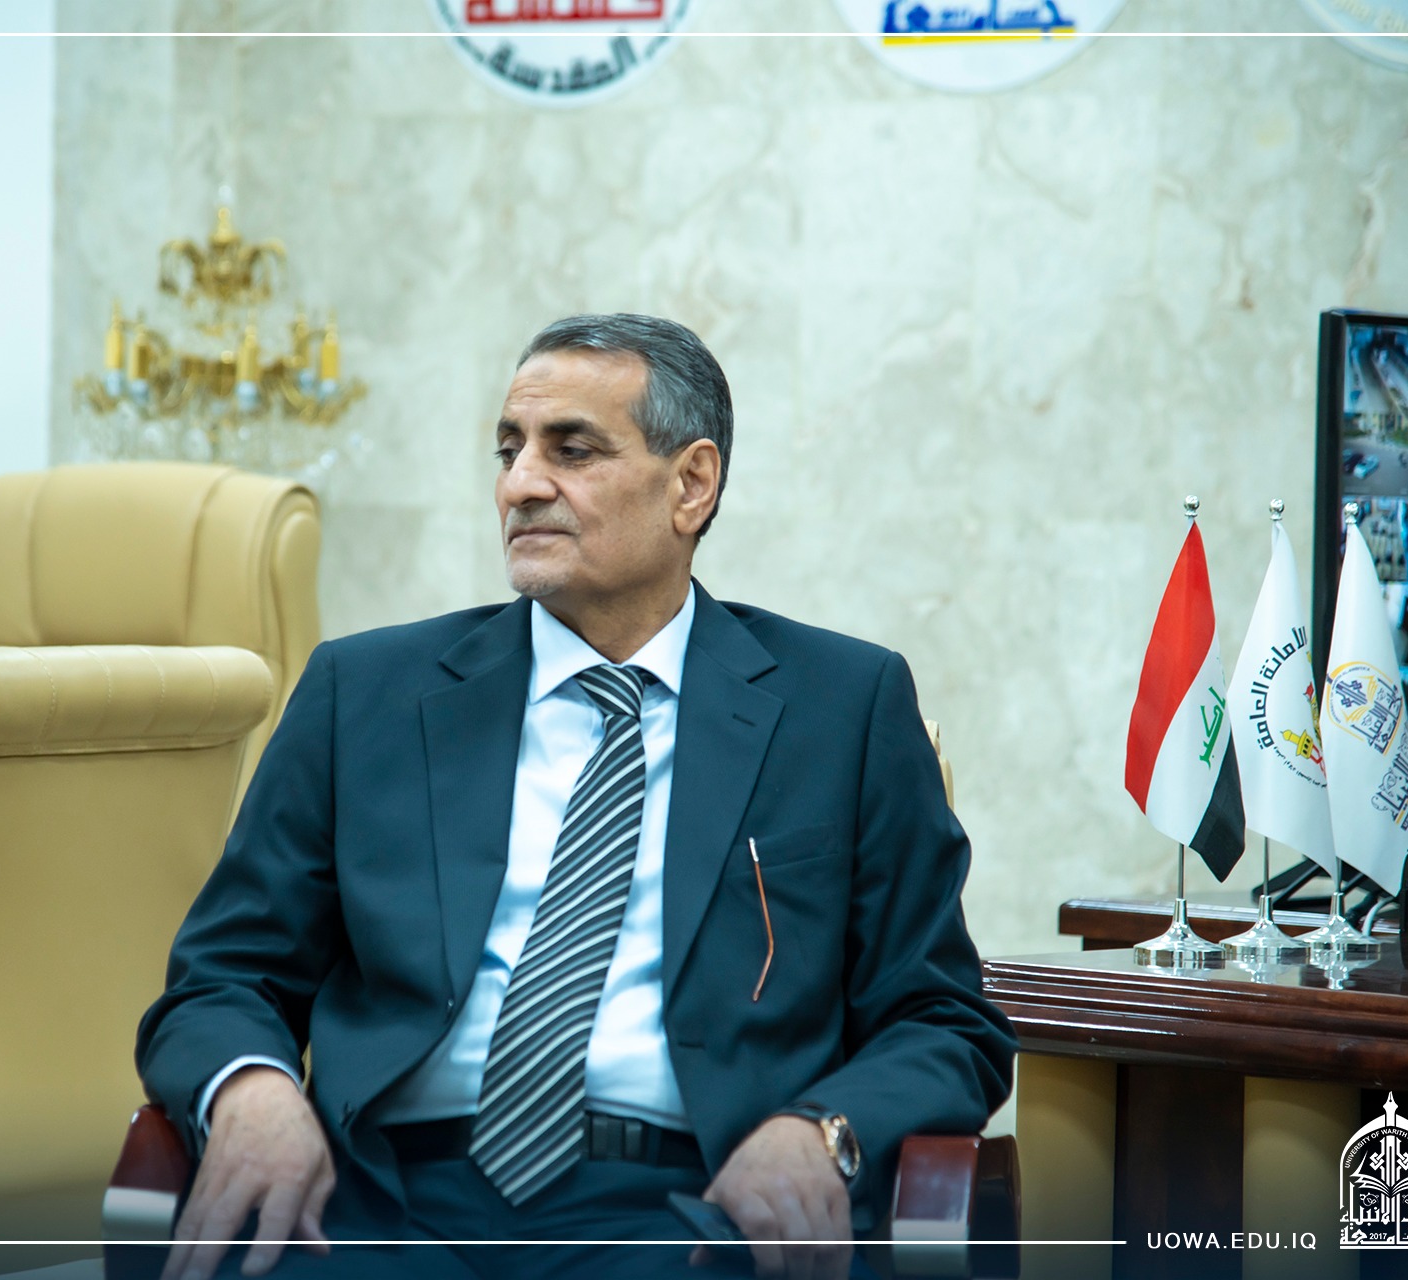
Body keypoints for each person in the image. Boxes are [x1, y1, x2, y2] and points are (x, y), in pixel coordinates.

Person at [136, 314, 1015, 1280]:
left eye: (572, 450)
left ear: (692, 484)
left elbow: (944, 1023)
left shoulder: (840, 708)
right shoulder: (366, 694)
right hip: (380, 1204)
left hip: (687, 1216)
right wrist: (251, 1089)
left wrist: (824, 1132)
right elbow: (223, 975)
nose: (520, 483)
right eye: (509, 450)